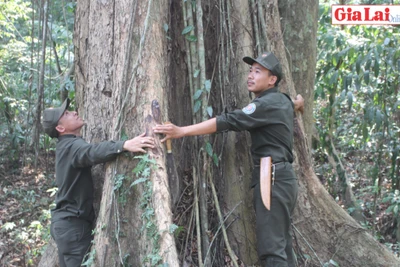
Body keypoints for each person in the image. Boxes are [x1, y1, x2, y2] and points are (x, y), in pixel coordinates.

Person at [153, 52, 303, 267]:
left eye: (258, 71)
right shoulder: (281, 100)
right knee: (282, 246)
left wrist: (182, 131)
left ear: (272, 80)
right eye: (250, 70)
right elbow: (293, 102)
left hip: (272, 178)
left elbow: (229, 121)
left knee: (272, 251)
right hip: (283, 178)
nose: (250, 75)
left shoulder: (265, 105)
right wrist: (299, 102)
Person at [42, 98, 155, 267]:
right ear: (60, 128)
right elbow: (91, 152)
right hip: (73, 226)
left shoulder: (66, 146)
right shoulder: (72, 146)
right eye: (66, 114)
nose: (74, 112)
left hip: (65, 225)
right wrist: (124, 144)